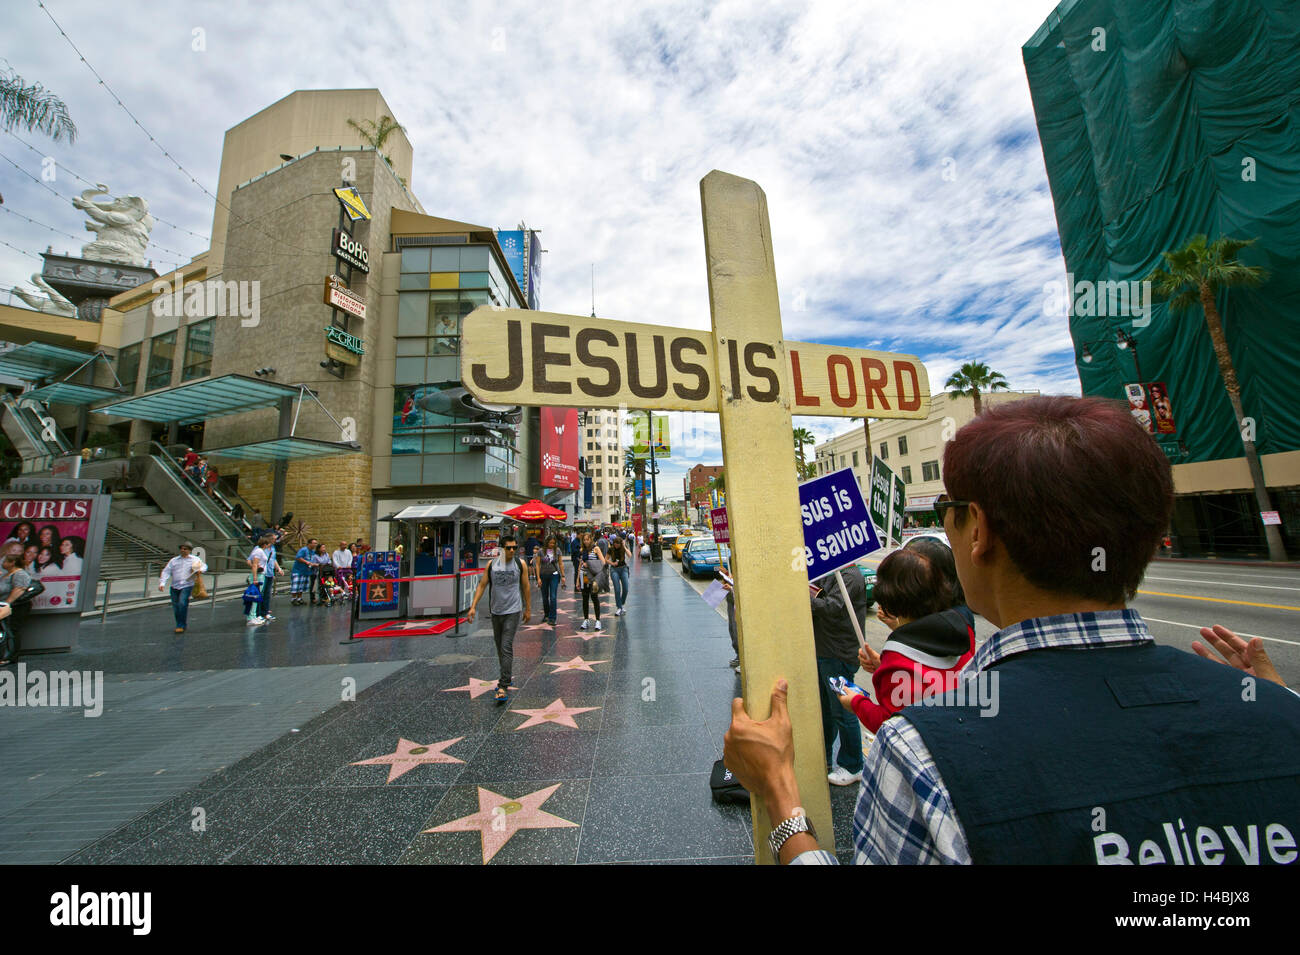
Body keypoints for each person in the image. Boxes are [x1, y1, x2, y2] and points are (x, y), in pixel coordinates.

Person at [724, 396, 1300, 864]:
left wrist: (782, 802)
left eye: (948, 511)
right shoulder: (1281, 711)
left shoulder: (923, 752)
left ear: (979, 530)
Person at [837, 547, 974, 734]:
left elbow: (891, 725)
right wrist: (882, 665)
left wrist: (856, 702)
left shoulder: (898, 661)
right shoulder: (960, 632)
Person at [809, 567, 870, 786]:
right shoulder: (830, 572)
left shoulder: (851, 576)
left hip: (839, 653)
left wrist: (802, 597)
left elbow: (831, 607)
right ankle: (824, 759)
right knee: (827, 711)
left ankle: (853, 765)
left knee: (843, 711)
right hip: (825, 650)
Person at [466, 534, 530, 703]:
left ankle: (502, 685)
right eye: (508, 548)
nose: (511, 551)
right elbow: (482, 585)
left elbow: (525, 586)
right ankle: (507, 676)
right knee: (500, 646)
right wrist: (473, 607)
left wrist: (528, 608)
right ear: (502, 548)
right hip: (496, 611)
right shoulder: (491, 565)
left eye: (514, 548)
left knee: (506, 645)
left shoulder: (520, 564)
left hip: (513, 610)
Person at [158, 542, 207, 633]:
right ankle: (180, 623)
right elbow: (166, 571)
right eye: (181, 548)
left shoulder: (194, 559)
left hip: (187, 585)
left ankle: (180, 625)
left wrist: (200, 570)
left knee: (182, 604)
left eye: (185, 549)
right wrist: (162, 583)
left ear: (189, 550)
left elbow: (204, 566)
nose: (183, 550)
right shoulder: (174, 560)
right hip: (175, 586)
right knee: (176, 606)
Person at [0, 553, 33, 664]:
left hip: (16, 607)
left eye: (5, 561)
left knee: (12, 630)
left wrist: (6, 604)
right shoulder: (7, 574)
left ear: (12, 563)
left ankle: (10, 656)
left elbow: (19, 590)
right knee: (5, 629)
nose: (2, 563)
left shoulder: (20, 574)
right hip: (5, 607)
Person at [577, 532, 608, 631]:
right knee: (585, 598)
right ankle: (586, 619)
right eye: (584, 540)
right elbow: (580, 565)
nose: (586, 541)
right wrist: (577, 580)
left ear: (591, 539)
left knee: (594, 597)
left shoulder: (596, 549)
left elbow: (603, 562)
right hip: (584, 576)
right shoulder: (582, 550)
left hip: (594, 576)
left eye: (587, 539)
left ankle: (598, 620)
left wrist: (590, 564)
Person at [533, 534, 566, 627]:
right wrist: (538, 578)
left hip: (554, 575)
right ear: (546, 542)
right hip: (543, 575)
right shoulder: (540, 551)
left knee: (553, 596)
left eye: (553, 543)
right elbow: (538, 565)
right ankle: (547, 614)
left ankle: (553, 618)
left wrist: (563, 576)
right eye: (550, 543)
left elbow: (560, 563)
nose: (552, 544)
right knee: (544, 596)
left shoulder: (558, 550)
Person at [291, 538, 318, 606]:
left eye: (316, 543)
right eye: (314, 543)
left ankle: (299, 598)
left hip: (306, 571)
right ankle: (294, 599)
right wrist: (307, 562)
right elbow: (298, 557)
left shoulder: (313, 551)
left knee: (302, 586)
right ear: (309, 543)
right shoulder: (303, 550)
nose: (315, 545)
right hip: (298, 570)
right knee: (296, 586)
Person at [607, 534, 630, 616]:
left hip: (623, 569)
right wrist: (612, 563)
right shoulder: (611, 549)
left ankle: (621, 603)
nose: (616, 545)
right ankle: (619, 607)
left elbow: (630, 555)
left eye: (618, 544)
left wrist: (624, 546)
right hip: (614, 570)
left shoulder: (623, 548)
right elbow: (606, 559)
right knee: (617, 589)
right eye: (615, 544)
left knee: (626, 588)